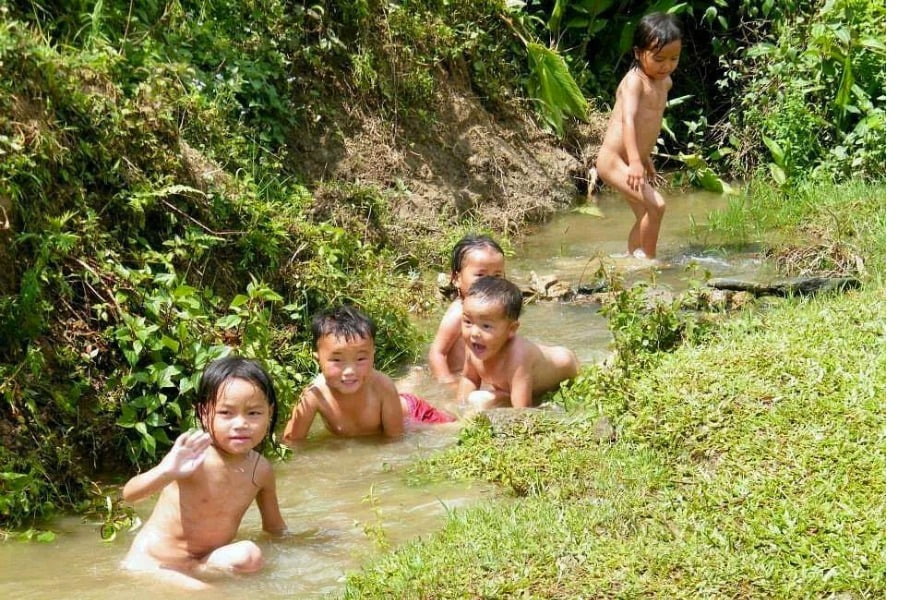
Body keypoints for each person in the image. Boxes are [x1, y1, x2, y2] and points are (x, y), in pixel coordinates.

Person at [121, 356, 287, 590]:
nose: (240, 424)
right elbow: (130, 495)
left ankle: (193, 579)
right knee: (209, 594)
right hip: (154, 563)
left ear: (269, 413)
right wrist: (166, 471)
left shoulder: (261, 469)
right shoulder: (194, 456)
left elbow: (275, 528)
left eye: (253, 413)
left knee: (249, 556)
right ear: (204, 412)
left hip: (199, 564)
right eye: (226, 413)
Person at [283, 305, 455, 443]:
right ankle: (411, 378)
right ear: (317, 359)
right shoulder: (314, 395)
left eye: (360, 359)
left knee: (452, 427)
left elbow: (395, 439)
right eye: (337, 360)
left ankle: (475, 410)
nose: (349, 371)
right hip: (387, 405)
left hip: (411, 415)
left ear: (373, 355)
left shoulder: (383, 387)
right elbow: (292, 441)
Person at [594, 12, 683, 259]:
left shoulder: (664, 83)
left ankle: (632, 258)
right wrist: (634, 161)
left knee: (647, 212)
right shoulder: (634, 82)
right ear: (637, 53)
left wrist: (645, 159)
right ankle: (650, 262)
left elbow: (650, 124)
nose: (666, 66)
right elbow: (628, 121)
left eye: (674, 58)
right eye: (658, 58)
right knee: (657, 206)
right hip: (613, 162)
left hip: (633, 159)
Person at [456, 276, 579, 409]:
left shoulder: (518, 357)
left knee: (483, 400)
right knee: (476, 400)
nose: (474, 333)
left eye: (486, 326)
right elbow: (469, 378)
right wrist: (460, 408)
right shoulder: (474, 345)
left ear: (511, 329)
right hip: (517, 383)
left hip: (567, 366)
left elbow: (522, 411)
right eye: (468, 322)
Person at [428, 234, 505, 384]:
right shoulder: (459, 312)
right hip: (460, 377)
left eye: (497, 275)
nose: (489, 282)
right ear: (457, 279)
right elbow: (437, 353)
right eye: (480, 275)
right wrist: (448, 383)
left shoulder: (497, 311)